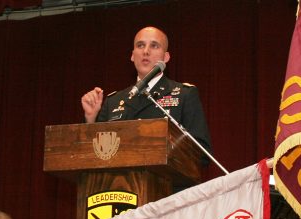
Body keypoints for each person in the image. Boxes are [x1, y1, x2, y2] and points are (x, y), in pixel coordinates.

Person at [81, 26, 212, 159]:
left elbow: (201, 153)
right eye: (140, 45)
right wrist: (90, 119)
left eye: (154, 46)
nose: (146, 51)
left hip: (166, 178)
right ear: (132, 55)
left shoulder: (184, 94)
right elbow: (92, 154)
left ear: (166, 57)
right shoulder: (113, 101)